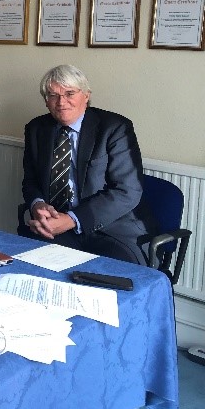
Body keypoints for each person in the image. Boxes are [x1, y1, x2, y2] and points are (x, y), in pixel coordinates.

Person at [19, 64, 153, 264]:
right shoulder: (36, 129)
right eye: (53, 95)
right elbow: (30, 181)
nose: (61, 102)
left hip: (110, 230)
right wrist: (37, 204)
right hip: (56, 226)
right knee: (29, 269)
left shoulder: (115, 128)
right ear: (46, 101)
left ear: (86, 95)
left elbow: (128, 191)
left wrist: (73, 219)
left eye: (69, 93)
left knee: (110, 283)